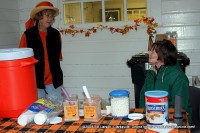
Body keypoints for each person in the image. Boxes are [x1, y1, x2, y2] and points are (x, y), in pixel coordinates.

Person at [19, 1, 63, 102]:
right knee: (38, 112)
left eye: (52, 16)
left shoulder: (56, 34)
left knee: (56, 110)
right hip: (35, 81)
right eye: (47, 15)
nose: (50, 19)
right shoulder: (28, 35)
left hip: (53, 82)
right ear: (39, 16)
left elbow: (57, 58)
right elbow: (22, 60)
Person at [139, 39, 191, 122]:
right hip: (152, 118)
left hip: (174, 120)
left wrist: (159, 118)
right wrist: (142, 117)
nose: (149, 53)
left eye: (152, 52)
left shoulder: (178, 76)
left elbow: (180, 107)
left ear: (163, 56)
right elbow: (143, 98)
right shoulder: (151, 73)